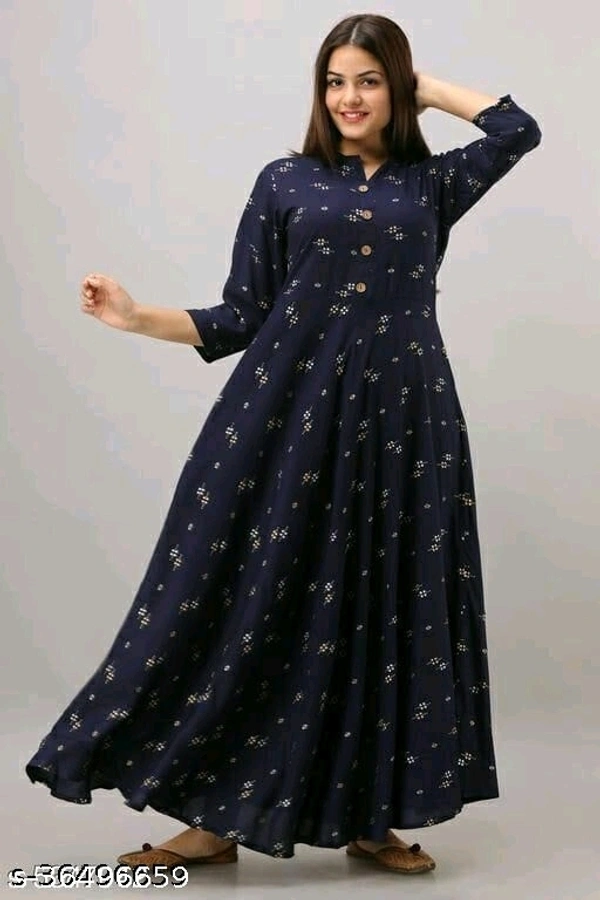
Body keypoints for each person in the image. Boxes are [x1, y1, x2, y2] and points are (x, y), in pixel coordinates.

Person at [25, 12, 541, 875]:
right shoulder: (285, 181)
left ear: (395, 88)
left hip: (405, 425)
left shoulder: (432, 185)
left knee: (384, 602)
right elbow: (241, 314)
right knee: (259, 599)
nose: (349, 98)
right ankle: (213, 818)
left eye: (369, 81)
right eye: (335, 82)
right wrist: (135, 316)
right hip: (288, 414)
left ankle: (372, 817)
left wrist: (421, 88)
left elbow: (517, 129)